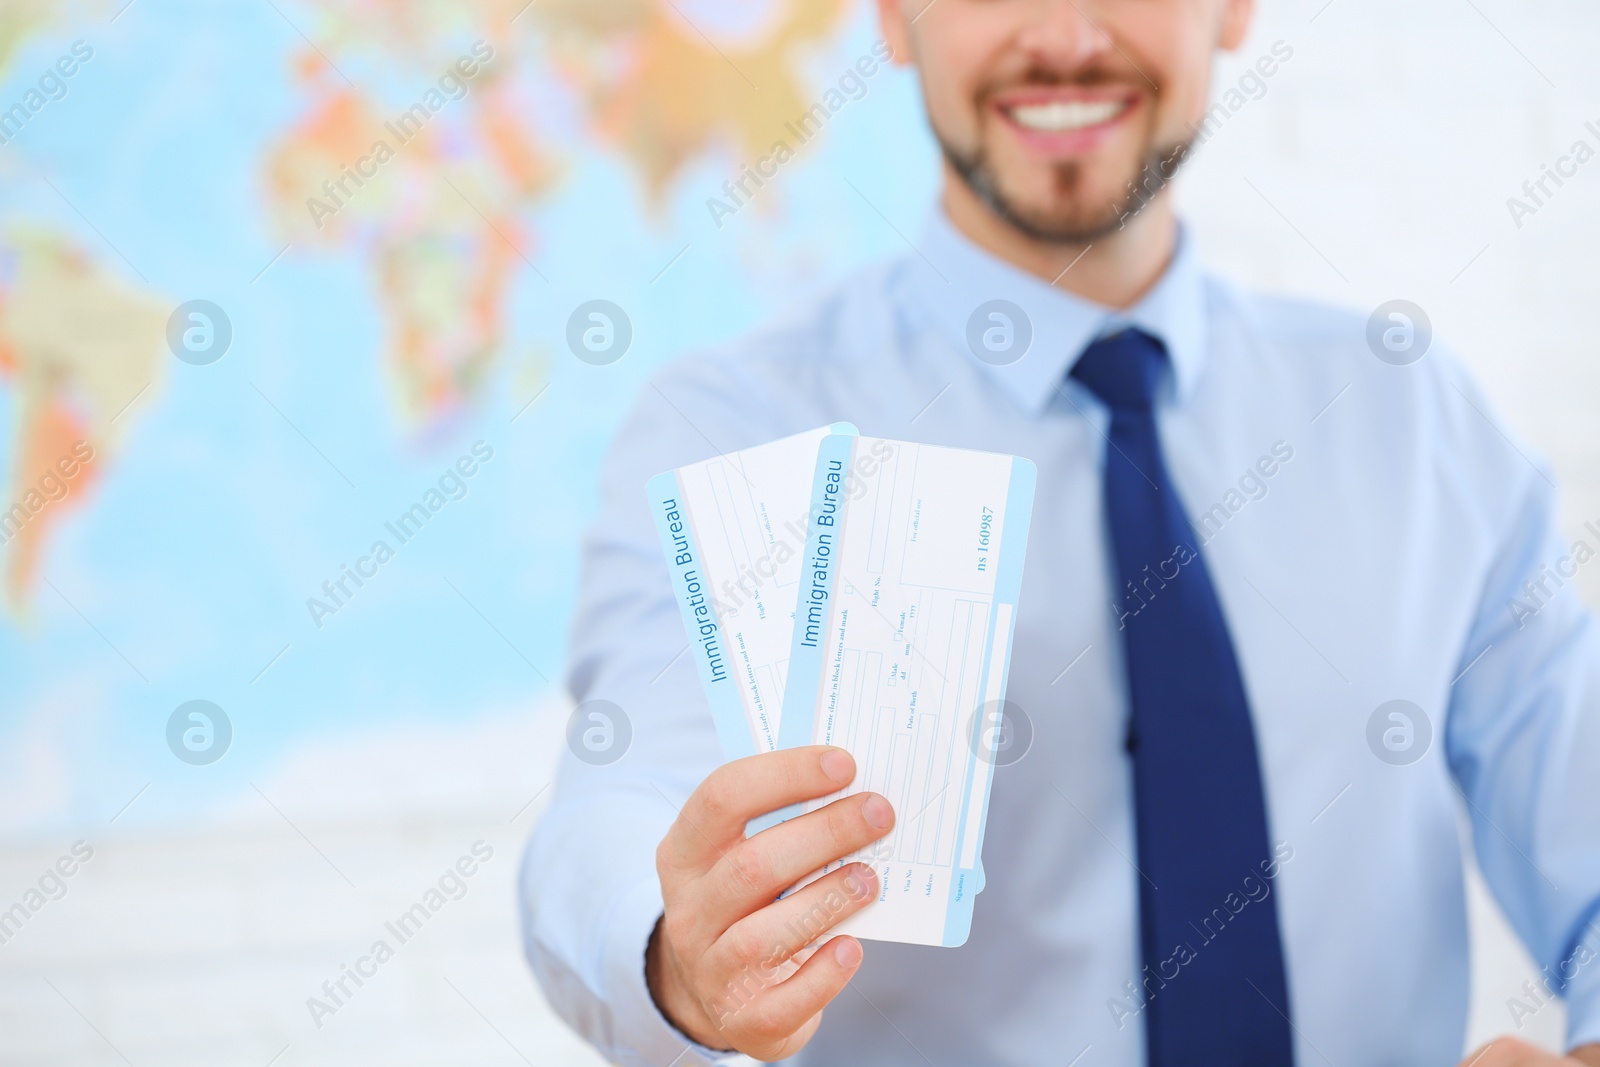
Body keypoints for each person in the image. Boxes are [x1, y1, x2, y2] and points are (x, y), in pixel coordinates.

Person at [520, 0, 1600, 1063]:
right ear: (894, 19)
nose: (1068, 36)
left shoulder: (1410, 419)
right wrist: (673, 950)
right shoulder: (739, 428)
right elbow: (616, 803)